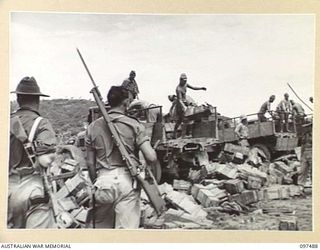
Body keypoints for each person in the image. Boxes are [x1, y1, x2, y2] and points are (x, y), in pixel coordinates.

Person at [85, 86, 157, 228]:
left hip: (102, 181)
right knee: (125, 236)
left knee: (99, 233)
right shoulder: (134, 124)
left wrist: (97, 182)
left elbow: (90, 164)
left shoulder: (92, 127)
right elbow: (151, 157)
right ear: (126, 102)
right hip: (126, 182)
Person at [8, 76, 57, 228]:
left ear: (18, 98)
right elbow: (45, 160)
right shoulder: (41, 123)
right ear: (37, 100)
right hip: (32, 189)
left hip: (7, 190)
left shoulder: (7, 121)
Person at [173, 73, 207, 138]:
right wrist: (184, 107)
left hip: (185, 102)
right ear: (180, 80)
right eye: (184, 80)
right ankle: (178, 133)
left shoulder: (185, 84)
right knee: (182, 119)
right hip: (180, 104)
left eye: (186, 80)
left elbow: (193, 87)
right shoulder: (178, 89)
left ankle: (189, 133)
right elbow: (180, 100)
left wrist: (201, 88)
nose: (185, 81)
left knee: (190, 117)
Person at [297, 123, 312, 187]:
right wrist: (301, 156)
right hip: (305, 154)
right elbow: (302, 145)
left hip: (313, 153)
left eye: (307, 127)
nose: (306, 128)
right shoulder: (304, 135)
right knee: (302, 170)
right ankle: (301, 186)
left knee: (313, 171)